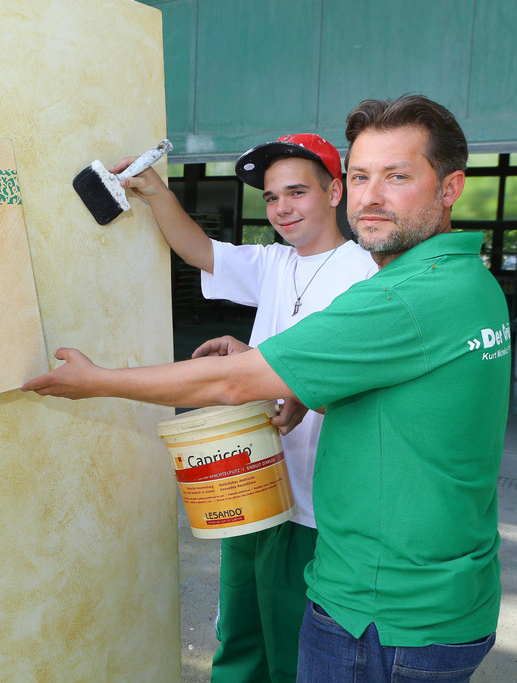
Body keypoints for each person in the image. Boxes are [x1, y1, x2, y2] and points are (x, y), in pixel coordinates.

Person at [24, 94, 509, 682]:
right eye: (363, 175)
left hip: (379, 605)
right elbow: (378, 383)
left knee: (281, 643)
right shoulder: (462, 279)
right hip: (346, 535)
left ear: (450, 187)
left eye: (398, 176)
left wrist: (97, 381)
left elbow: (235, 383)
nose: (372, 195)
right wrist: (299, 383)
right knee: (242, 632)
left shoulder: (392, 291)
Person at [112, 133, 377, 682]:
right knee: (239, 629)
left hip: (317, 499)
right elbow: (197, 249)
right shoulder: (273, 263)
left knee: (292, 640)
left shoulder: (368, 274)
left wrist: (302, 391)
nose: (282, 208)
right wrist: (156, 192)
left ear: (335, 193)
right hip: (251, 478)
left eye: (297, 192)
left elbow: (365, 380)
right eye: (272, 197)